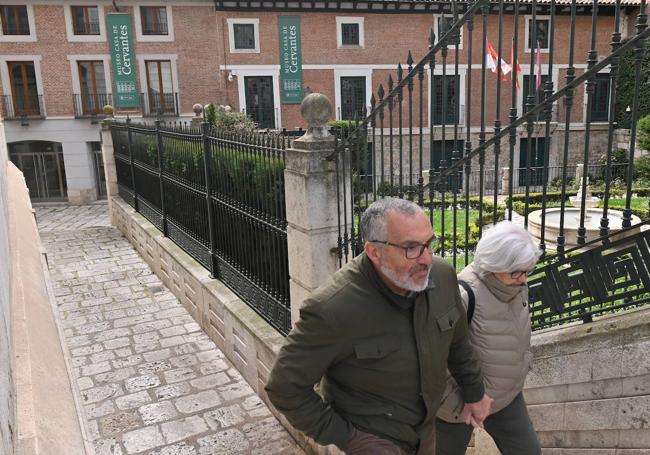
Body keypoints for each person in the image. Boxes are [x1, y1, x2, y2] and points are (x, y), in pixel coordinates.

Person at [265, 197, 492, 454]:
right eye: (411, 248)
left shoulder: (442, 275)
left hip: (426, 436)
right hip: (374, 445)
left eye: (429, 243)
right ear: (374, 251)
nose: (427, 258)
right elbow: (284, 387)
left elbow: (458, 341)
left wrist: (474, 391)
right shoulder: (332, 308)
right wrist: (349, 438)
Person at [435, 221, 542, 455]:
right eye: (517, 272)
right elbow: (433, 360)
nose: (524, 279)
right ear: (495, 265)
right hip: (458, 407)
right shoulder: (463, 295)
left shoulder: (516, 286)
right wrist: (459, 402)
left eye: (527, 271)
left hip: (506, 397)